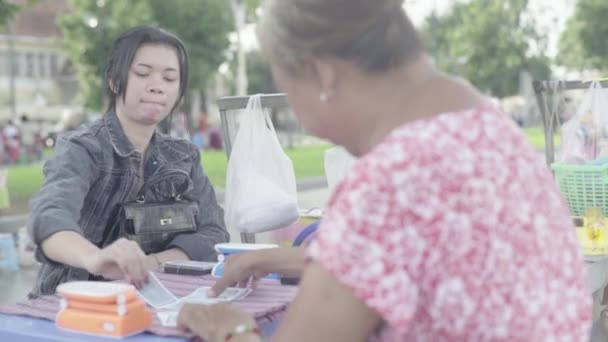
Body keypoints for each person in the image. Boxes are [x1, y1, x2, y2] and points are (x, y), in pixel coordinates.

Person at [177, 0, 591, 341]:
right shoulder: (488, 127)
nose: (302, 119)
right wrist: (277, 259)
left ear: (322, 74)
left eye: (289, 89)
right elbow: (428, 260)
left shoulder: (390, 181)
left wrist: (228, 328)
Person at [28, 26, 229, 297]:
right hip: (72, 306)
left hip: (159, 301)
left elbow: (214, 232)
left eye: (170, 78)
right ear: (114, 80)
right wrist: (94, 258)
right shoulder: (83, 148)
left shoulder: (184, 156)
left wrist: (153, 263)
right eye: (143, 73)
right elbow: (49, 218)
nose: (157, 86)